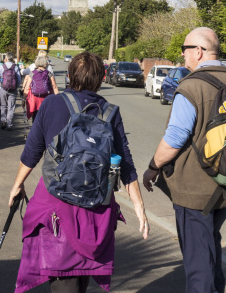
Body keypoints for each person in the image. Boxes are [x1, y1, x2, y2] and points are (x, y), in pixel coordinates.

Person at [8, 52, 149, 293]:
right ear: (99, 78)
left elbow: (32, 152)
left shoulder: (52, 104)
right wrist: (139, 206)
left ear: (71, 75)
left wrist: (17, 185)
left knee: (64, 278)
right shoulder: (109, 112)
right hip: (96, 208)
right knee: (81, 276)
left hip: (57, 205)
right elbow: (125, 162)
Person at [142, 27, 226, 293]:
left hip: (195, 190)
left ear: (199, 51)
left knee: (197, 261)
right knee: (210, 244)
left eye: (184, 49)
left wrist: (152, 168)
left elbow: (175, 139)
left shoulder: (191, 86)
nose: (182, 55)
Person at [22, 55, 59, 122]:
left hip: (35, 100)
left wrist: (24, 99)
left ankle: (36, 130)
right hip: (46, 99)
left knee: (35, 118)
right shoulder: (49, 74)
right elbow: (54, 87)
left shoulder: (32, 73)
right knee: (45, 118)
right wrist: (58, 99)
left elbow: (27, 88)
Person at [0, 52, 22, 130]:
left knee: (3, 106)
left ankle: (3, 121)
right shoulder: (15, 67)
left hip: (3, 89)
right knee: (11, 107)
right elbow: (19, 79)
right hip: (13, 90)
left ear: (6, 58)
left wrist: (1, 87)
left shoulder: (2, 66)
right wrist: (16, 87)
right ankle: (9, 124)